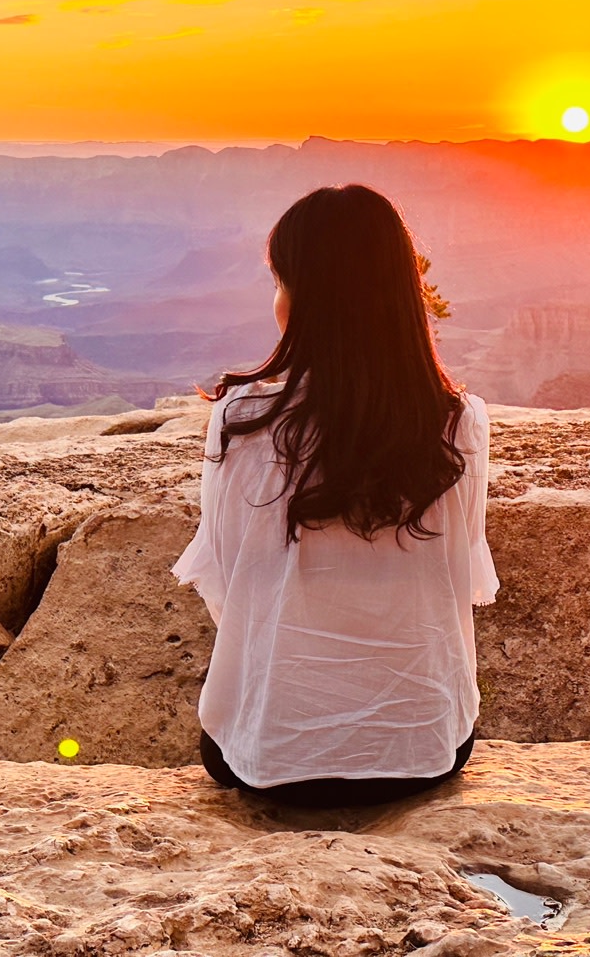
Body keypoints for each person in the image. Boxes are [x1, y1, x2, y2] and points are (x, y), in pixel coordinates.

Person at [171, 184, 498, 809]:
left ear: (308, 297)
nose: (277, 300)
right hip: (423, 750)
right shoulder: (460, 421)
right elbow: (463, 575)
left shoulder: (242, 417)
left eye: (280, 281)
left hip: (271, 758)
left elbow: (228, 574)